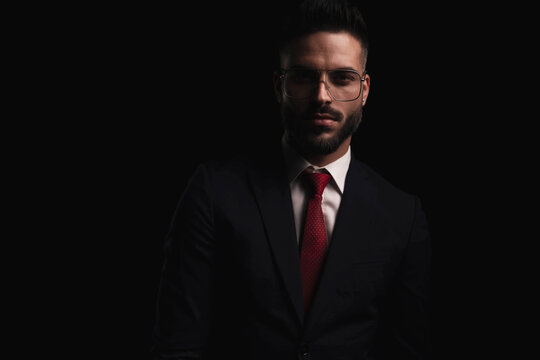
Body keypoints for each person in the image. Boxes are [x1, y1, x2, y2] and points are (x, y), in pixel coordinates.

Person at [152, 0, 431, 359]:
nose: (321, 96)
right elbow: (177, 345)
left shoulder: (402, 216)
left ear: (365, 89)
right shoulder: (213, 191)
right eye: (303, 76)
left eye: (342, 78)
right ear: (278, 85)